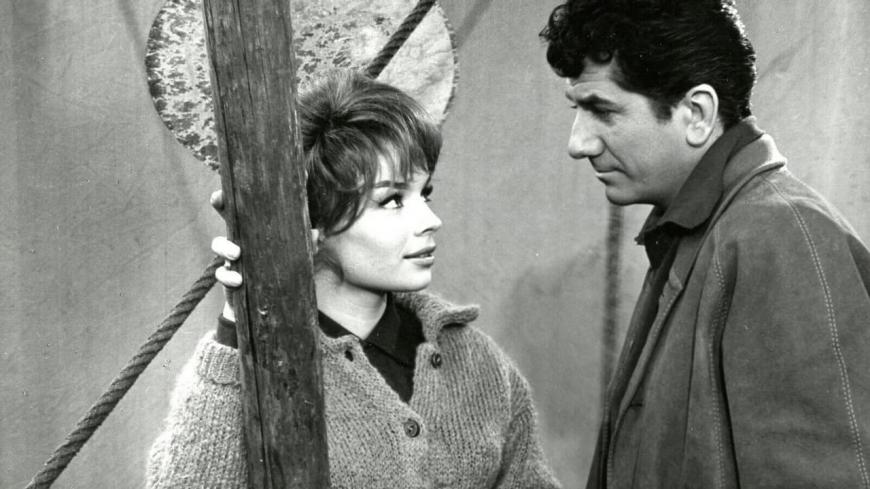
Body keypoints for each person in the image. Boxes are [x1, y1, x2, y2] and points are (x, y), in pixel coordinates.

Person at [146, 70, 560, 489]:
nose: (431, 220)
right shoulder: (249, 369)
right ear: (314, 222)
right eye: (392, 200)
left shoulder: (475, 359)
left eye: (425, 194)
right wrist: (235, 325)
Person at [540, 1, 870, 488]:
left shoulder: (778, 237)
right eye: (578, 110)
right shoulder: (705, 230)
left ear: (696, 113)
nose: (578, 143)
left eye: (601, 110)